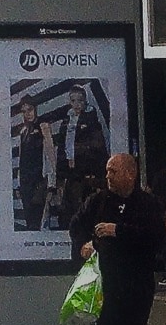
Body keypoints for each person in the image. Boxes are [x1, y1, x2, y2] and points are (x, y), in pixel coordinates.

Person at [68, 149, 165, 325]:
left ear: (130, 174)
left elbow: (156, 237)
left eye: (114, 171)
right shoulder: (97, 202)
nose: (108, 175)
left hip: (138, 282)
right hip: (107, 284)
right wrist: (83, 245)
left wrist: (117, 231)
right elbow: (76, 227)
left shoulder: (147, 204)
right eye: (107, 170)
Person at [54, 84, 109, 224]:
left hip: (85, 170)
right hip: (69, 171)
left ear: (85, 102)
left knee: (82, 204)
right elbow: (62, 147)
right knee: (69, 205)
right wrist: (60, 173)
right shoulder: (66, 122)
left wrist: (95, 171)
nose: (77, 104)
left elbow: (98, 146)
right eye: (73, 101)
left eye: (80, 100)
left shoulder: (91, 120)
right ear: (69, 102)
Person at [15, 96, 56, 231]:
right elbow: (21, 158)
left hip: (39, 180)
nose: (28, 113)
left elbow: (50, 155)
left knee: (39, 219)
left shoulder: (43, 126)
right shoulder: (23, 131)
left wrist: (52, 182)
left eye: (30, 109)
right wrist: (19, 184)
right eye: (25, 111)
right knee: (29, 220)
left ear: (35, 109)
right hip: (26, 181)